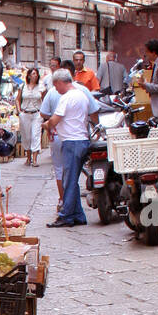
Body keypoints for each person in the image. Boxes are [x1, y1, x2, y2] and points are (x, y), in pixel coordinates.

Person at [44, 68, 97, 227]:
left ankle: (65, 215)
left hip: (72, 142)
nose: (56, 89)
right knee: (72, 179)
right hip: (80, 139)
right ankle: (78, 215)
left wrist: (46, 125)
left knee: (69, 180)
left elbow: (54, 119)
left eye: (55, 86)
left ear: (60, 83)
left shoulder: (67, 98)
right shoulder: (81, 94)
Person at [16, 67, 44, 166]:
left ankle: (35, 159)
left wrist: (43, 113)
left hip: (37, 114)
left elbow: (44, 100)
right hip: (25, 113)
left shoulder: (41, 87)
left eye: (36, 74)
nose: (35, 75)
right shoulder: (22, 86)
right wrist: (19, 111)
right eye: (33, 74)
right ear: (28, 75)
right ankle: (28, 158)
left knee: (35, 135)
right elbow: (18, 99)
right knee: (26, 136)